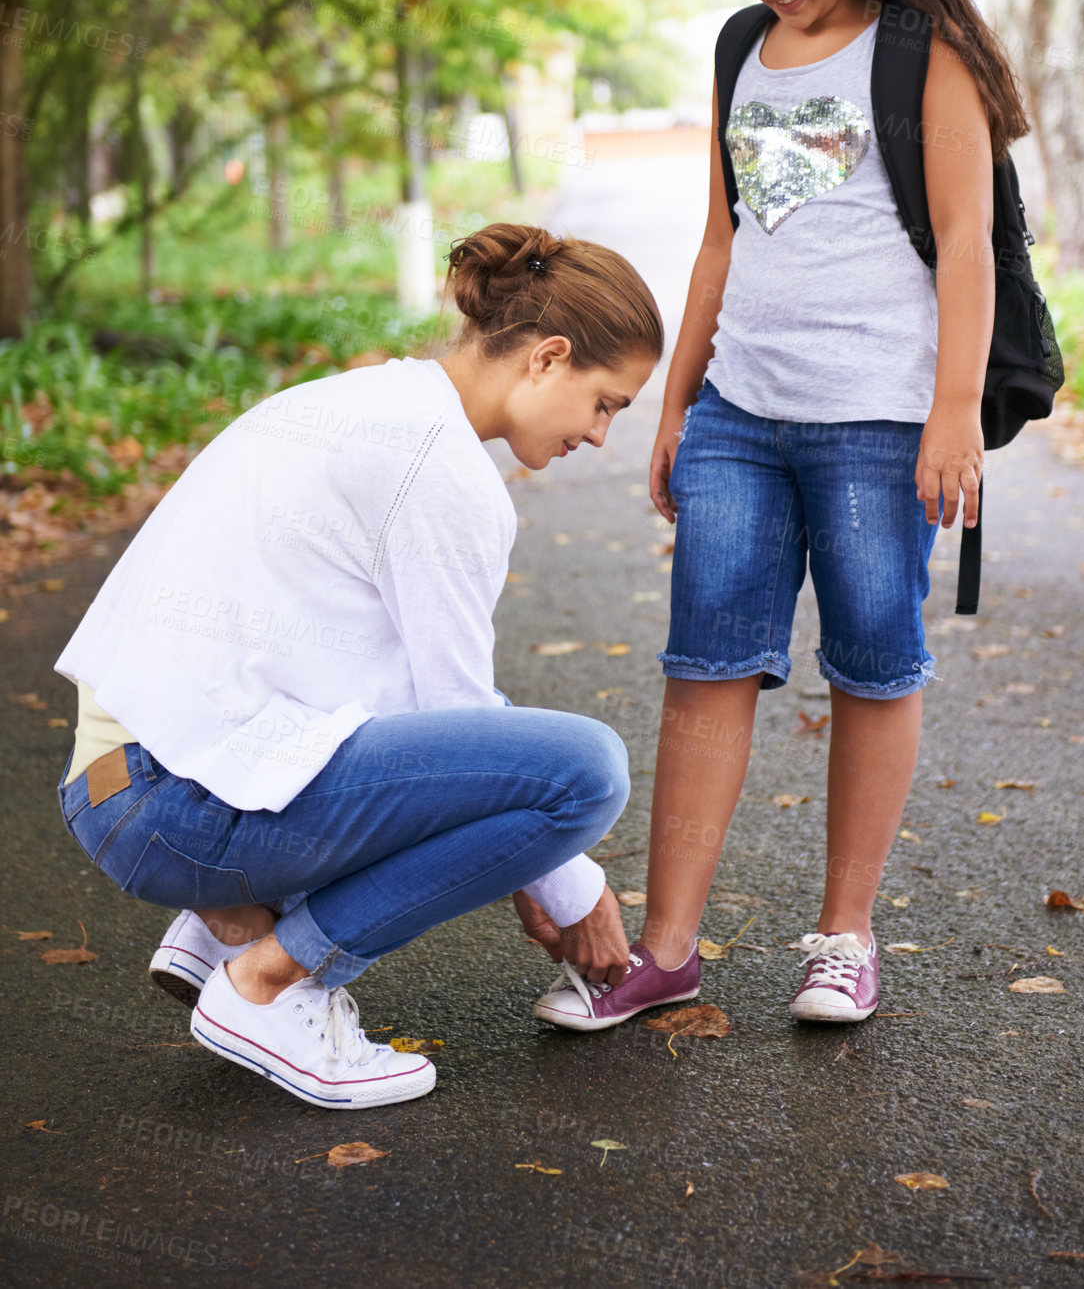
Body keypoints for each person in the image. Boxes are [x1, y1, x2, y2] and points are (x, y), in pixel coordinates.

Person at [533, 0, 1018, 1034]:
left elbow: (967, 246)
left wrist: (951, 411)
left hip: (877, 421)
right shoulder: (742, 46)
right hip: (743, 412)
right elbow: (721, 236)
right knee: (706, 663)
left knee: (872, 662)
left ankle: (845, 938)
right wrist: (678, 400)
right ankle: (666, 950)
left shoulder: (922, 50)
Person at [55, 223, 663, 1107]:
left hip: (116, 782)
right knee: (582, 775)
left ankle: (223, 926)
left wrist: (546, 871)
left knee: (480, 754)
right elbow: (458, 716)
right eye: (605, 402)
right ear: (548, 357)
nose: (603, 434)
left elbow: (425, 707)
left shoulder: (372, 401)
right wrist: (575, 886)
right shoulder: (439, 468)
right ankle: (269, 979)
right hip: (167, 802)